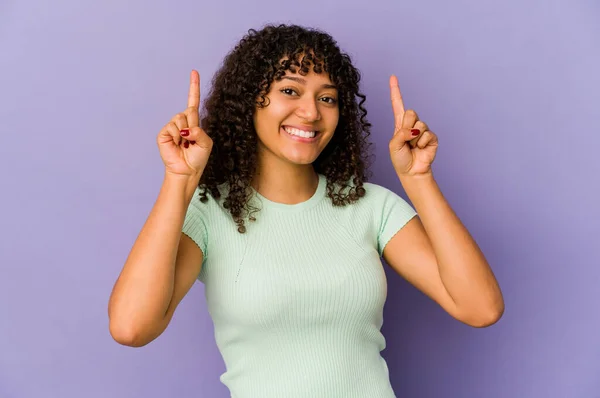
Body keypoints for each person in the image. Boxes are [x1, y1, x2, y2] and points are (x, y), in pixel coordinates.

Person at [108, 24, 504, 397]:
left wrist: (419, 180)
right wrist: (179, 181)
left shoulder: (371, 207)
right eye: (291, 90)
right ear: (249, 101)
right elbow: (131, 327)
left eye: (327, 98)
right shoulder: (210, 212)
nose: (312, 112)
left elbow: (480, 308)